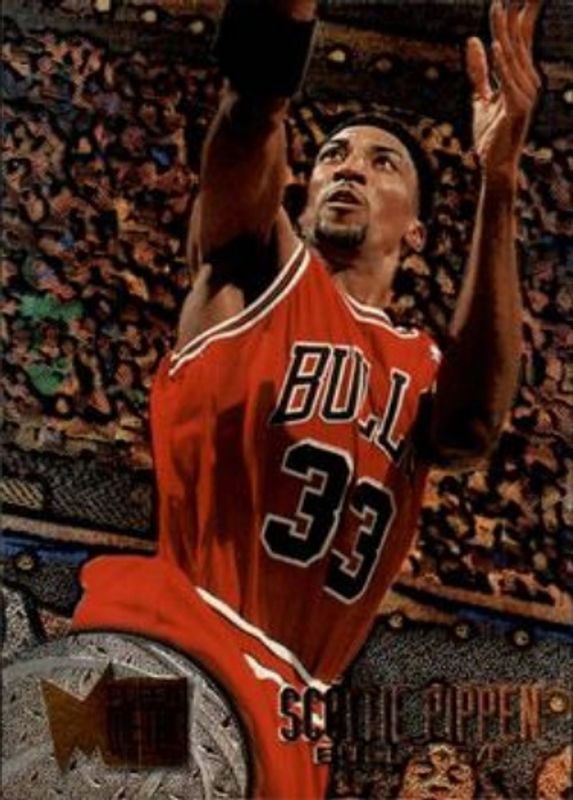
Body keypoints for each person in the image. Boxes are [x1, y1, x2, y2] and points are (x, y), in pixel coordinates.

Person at [72, 0, 542, 796]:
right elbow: (248, 113)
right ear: (301, 186)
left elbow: (472, 427)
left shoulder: (422, 369)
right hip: (168, 646)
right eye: (331, 155)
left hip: (293, 707)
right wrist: (282, 23)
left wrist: (498, 181)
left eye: (381, 162)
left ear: (417, 231)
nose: (349, 167)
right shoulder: (254, 270)